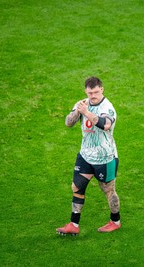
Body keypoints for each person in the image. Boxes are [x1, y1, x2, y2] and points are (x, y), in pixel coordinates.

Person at [56, 76, 121, 235]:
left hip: (105, 158)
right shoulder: (82, 104)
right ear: (86, 91)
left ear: (102, 90)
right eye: (90, 92)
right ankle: (74, 225)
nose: (93, 95)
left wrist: (87, 112)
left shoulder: (108, 107)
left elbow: (105, 125)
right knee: (77, 186)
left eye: (96, 92)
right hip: (85, 155)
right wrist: (78, 111)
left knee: (108, 190)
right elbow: (68, 123)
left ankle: (115, 221)